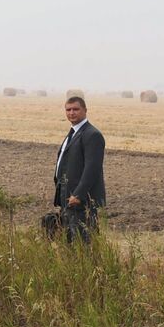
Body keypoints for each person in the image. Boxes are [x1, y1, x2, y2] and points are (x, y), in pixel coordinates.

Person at [53, 95, 106, 243]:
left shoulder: (92, 135)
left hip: (82, 201)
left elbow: (92, 169)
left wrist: (78, 195)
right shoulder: (73, 133)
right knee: (70, 241)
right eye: (68, 110)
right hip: (67, 199)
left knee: (84, 242)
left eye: (76, 109)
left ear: (85, 110)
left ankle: (89, 266)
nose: (71, 113)